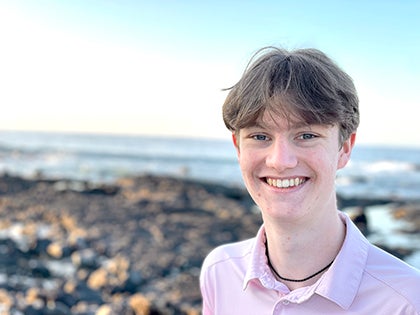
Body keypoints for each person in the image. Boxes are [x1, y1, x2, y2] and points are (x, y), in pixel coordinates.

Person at [199, 46, 420, 314]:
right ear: (238, 148)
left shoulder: (406, 300)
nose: (280, 161)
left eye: (306, 135)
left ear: (345, 148)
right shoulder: (219, 273)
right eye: (260, 136)